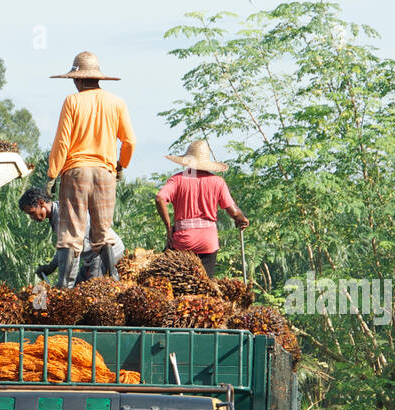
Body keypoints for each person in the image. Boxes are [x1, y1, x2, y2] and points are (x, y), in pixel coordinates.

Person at [46, 51, 136, 288]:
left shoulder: (72, 102)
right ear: (98, 78)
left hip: (76, 172)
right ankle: (112, 279)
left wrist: (52, 173)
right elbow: (130, 142)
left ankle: (64, 287)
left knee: (71, 232)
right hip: (105, 173)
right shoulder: (117, 103)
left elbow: (62, 143)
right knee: (102, 230)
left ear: (77, 80)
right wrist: (121, 165)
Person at [154, 140, 250, 278]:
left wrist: (169, 228)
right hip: (207, 242)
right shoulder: (217, 182)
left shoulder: (177, 180)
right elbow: (234, 212)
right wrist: (242, 219)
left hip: (183, 241)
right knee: (204, 285)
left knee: (178, 285)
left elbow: (159, 198)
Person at [19, 187, 125, 282]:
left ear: (41, 203)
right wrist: (51, 267)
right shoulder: (57, 215)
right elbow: (64, 250)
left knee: (92, 289)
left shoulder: (64, 216)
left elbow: (73, 254)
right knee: (79, 288)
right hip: (93, 256)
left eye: (32, 213)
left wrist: (65, 284)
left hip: (106, 252)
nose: (32, 217)